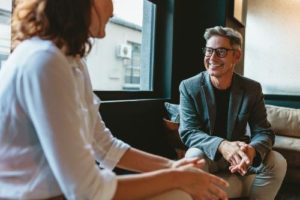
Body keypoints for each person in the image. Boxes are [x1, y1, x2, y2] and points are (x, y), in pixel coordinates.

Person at [0, 0, 229, 199]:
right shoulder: (44, 61)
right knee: (179, 193)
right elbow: (88, 191)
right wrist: (176, 177)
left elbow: (104, 145)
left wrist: (174, 166)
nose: (113, 9)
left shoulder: (73, 62)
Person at [179, 26, 287, 199]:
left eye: (221, 51)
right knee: (193, 156)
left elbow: (264, 132)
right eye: (208, 51)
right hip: (208, 154)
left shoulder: (252, 89)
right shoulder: (189, 87)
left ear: (236, 56)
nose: (212, 58)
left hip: (241, 155)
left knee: (278, 162)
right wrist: (223, 145)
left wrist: (252, 150)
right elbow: (189, 132)